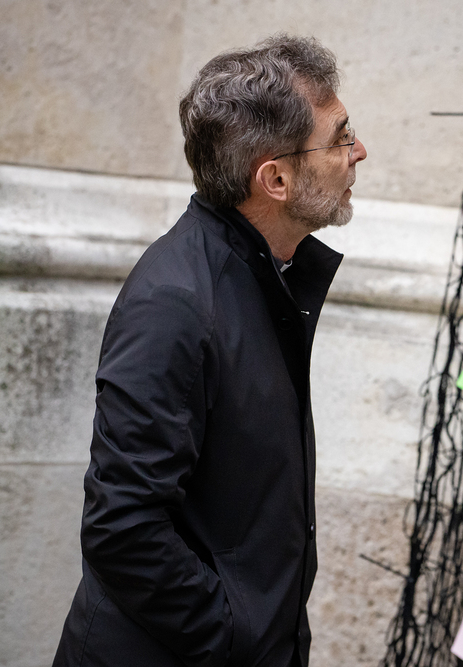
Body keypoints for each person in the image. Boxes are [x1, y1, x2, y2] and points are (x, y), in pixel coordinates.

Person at [53, 34, 365, 667]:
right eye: (339, 138)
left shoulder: (265, 272)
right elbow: (122, 528)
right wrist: (234, 636)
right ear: (275, 179)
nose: (359, 151)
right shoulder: (173, 304)